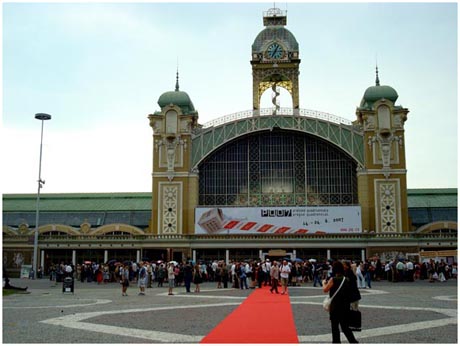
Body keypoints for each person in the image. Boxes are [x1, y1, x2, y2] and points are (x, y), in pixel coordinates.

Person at [323, 261, 358, 344]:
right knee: (345, 326)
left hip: (335, 306)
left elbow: (325, 290)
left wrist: (324, 283)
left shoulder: (333, 279)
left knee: (335, 326)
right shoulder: (346, 279)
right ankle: (353, 341)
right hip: (345, 306)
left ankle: (336, 342)